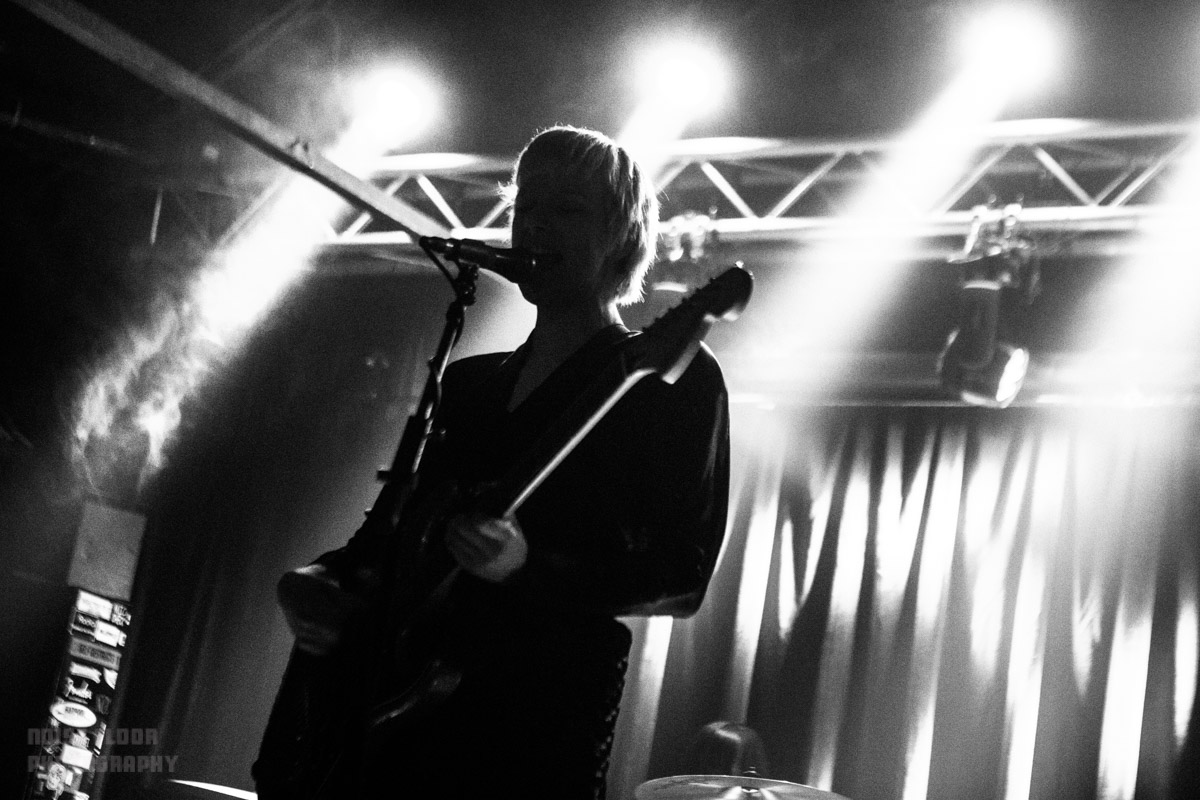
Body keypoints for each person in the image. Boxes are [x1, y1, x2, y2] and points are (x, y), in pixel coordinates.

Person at [257, 125, 731, 799]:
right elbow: (392, 537)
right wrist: (314, 581)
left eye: (567, 209)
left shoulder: (669, 380)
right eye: (526, 206)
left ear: (622, 237)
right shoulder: (470, 385)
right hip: (393, 724)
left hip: (533, 729)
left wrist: (528, 566)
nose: (535, 225)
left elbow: (683, 577)